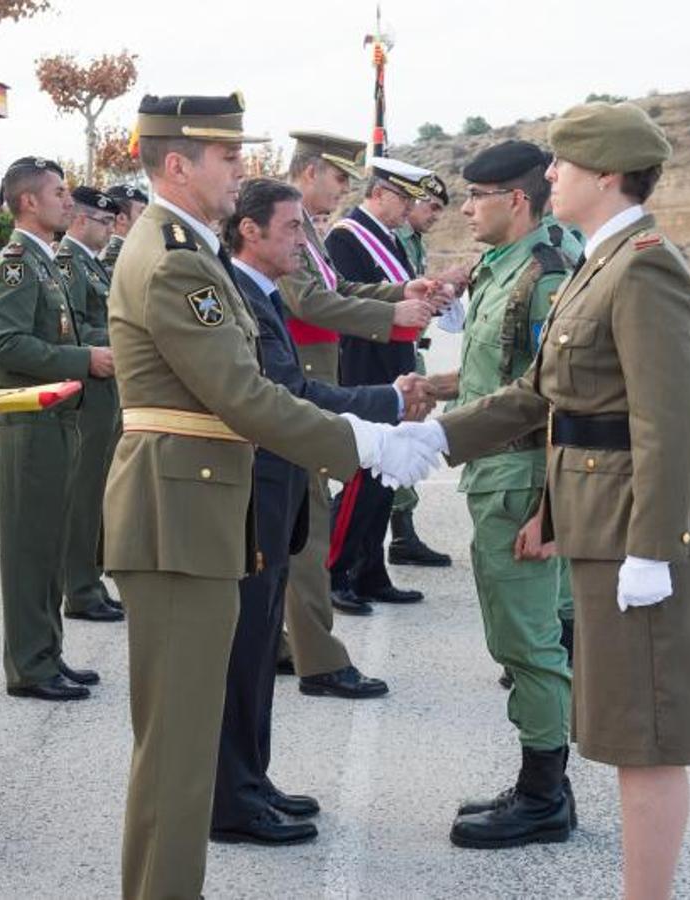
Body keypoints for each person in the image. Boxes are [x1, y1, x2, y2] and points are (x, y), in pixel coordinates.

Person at [396, 102, 690, 898]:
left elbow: (666, 420)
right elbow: (543, 393)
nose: (548, 174)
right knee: (626, 731)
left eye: (564, 163)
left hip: (636, 530)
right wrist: (434, 439)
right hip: (603, 519)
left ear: (608, 175)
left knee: (647, 737)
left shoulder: (643, 265)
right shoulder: (599, 260)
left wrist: (652, 549)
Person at [101, 92, 438, 900]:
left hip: (195, 507)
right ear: (177, 164)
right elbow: (244, 396)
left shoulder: (185, 250)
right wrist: (367, 442)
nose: (240, 169)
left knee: (185, 739)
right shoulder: (177, 259)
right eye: (227, 157)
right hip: (178, 515)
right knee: (177, 747)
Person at [211, 177, 434, 847]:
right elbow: (287, 392)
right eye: (291, 230)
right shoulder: (236, 295)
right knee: (243, 649)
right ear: (250, 231)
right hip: (252, 490)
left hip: (275, 484)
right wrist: (385, 403)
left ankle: (253, 781)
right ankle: (232, 799)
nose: (304, 243)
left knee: (258, 650)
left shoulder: (258, 292)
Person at [423, 140, 581, 848]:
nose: (464, 209)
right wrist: (434, 387)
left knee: (527, 644)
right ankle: (543, 785)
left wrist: (551, 512)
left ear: (515, 200)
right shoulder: (504, 267)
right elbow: (504, 374)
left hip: (522, 481)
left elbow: (562, 397)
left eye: (476, 197)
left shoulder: (544, 277)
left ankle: (544, 798)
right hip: (496, 472)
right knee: (518, 639)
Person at [277, 131, 439, 699]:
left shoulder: (307, 227)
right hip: (301, 381)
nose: (346, 188)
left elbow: (337, 286)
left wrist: (399, 291)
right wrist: (392, 316)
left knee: (297, 523)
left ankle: (281, 643)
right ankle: (318, 659)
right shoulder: (285, 224)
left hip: (315, 375)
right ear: (311, 172)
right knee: (308, 528)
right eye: (340, 177)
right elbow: (308, 301)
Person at [0, 155, 114, 702]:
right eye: (58, 192)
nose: (68, 201)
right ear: (28, 202)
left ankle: (47, 652)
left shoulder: (44, 261)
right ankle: (30, 665)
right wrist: (83, 359)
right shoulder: (15, 264)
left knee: (50, 545)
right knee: (29, 553)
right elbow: (5, 345)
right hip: (29, 426)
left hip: (57, 421)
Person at [325, 157, 437, 610]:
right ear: (379, 194)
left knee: (385, 475)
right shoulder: (345, 237)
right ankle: (334, 570)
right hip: (364, 366)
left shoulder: (390, 239)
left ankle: (370, 570)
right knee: (363, 475)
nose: (409, 208)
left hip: (392, 362)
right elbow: (343, 301)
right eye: (404, 198)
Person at [56, 185, 126, 622]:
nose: (110, 229)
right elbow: (71, 328)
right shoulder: (68, 263)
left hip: (105, 389)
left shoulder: (91, 264)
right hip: (87, 390)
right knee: (84, 495)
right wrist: (122, 338)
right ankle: (79, 588)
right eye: (104, 221)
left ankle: (91, 580)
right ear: (81, 220)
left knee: (99, 491)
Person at [388, 173, 453, 567]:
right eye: (431, 207)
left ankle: (403, 530)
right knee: (396, 440)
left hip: (412, 349)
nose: (435, 216)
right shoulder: (390, 239)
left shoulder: (412, 242)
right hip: (392, 352)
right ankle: (400, 532)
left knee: (408, 439)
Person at [100, 183, 149, 278]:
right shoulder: (114, 258)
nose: (148, 218)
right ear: (121, 218)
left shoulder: (129, 253)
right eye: (142, 212)